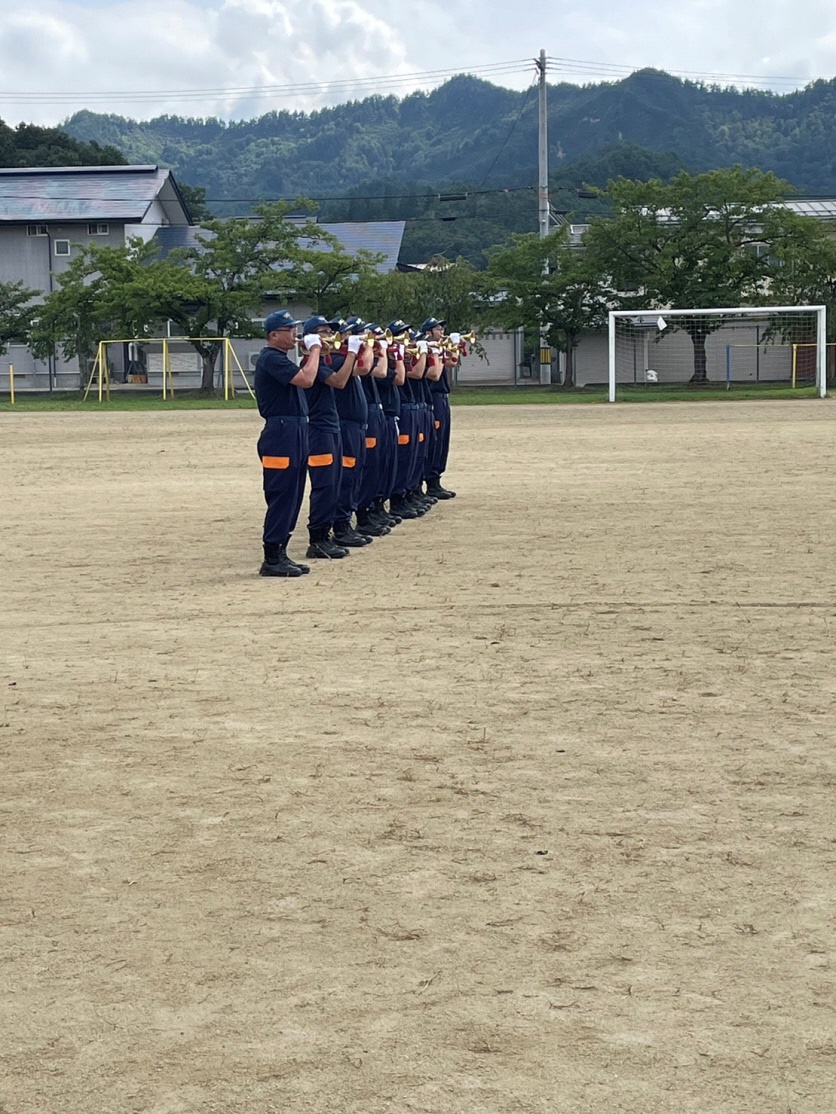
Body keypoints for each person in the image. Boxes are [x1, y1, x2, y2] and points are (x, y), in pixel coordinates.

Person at [254, 310, 321, 578]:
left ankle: (281, 551)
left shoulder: (281, 359)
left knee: (293, 494)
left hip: (294, 429)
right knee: (282, 494)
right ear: (273, 335)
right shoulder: (270, 358)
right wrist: (314, 350)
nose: (295, 335)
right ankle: (271, 556)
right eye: (289, 330)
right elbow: (306, 379)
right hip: (281, 432)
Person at [300, 315, 360, 559]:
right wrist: (352, 354)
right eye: (323, 333)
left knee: (335, 483)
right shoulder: (313, 363)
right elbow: (340, 381)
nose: (330, 337)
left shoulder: (322, 361)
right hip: (319, 431)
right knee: (325, 485)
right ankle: (317, 540)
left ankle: (326, 535)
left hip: (331, 428)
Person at [328, 316, 374, 548]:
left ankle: (346, 522)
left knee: (355, 476)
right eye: (346, 334)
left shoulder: (344, 358)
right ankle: (341, 525)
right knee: (346, 478)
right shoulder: (337, 359)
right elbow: (364, 368)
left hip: (354, 426)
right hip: (346, 426)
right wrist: (359, 350)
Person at [421, 316, 457, 500]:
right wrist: (439, 352)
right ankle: (431, 480)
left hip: (442, 396)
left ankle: (437, 479)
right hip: (433, 396)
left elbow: (453, 362)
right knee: (434, 441)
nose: (441, 333)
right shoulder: (425, 349)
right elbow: (434, 374)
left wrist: (453, 347)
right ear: (428, 333)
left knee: (443, 439)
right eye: (438, 330)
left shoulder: (437, 349)